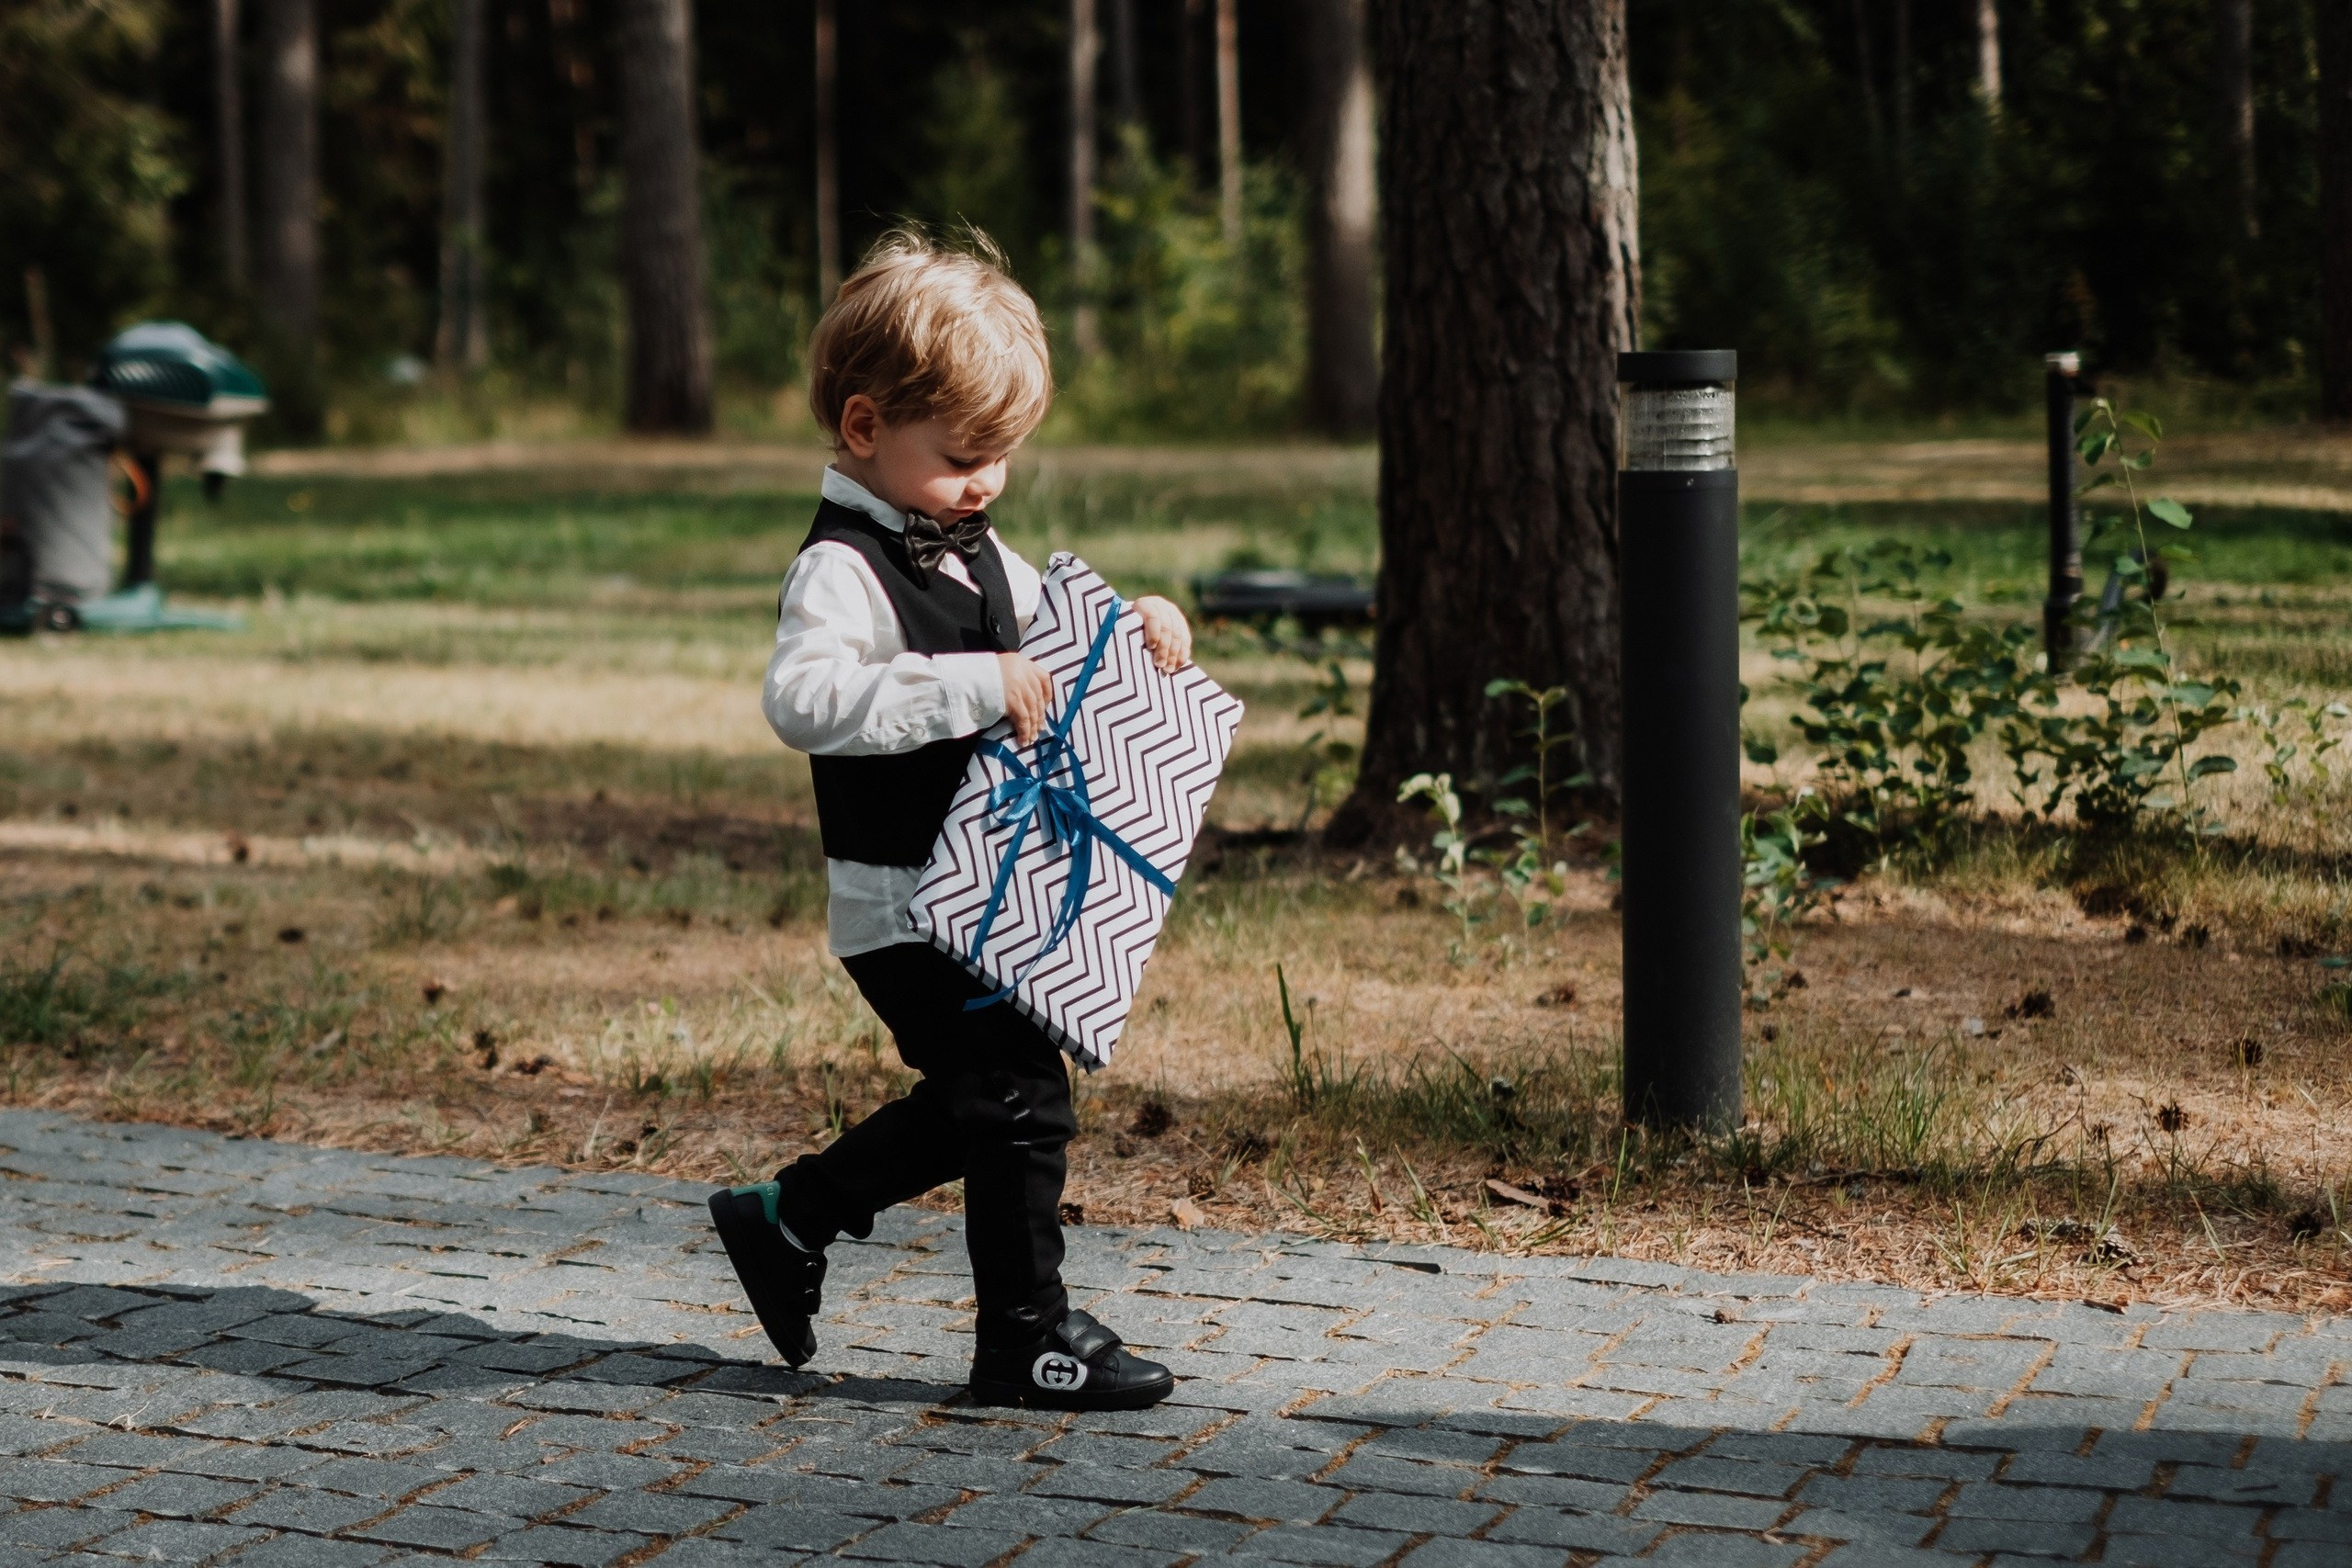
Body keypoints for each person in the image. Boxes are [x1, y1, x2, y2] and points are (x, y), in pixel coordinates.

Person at [707, 231, 1190, 1412]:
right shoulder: (840, 568)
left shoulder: (971, 544)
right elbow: (804, 701)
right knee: (1018, 1101)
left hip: (987, 897)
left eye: (1003, 458)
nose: (986, 484)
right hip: (905, 905)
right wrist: (971, 686)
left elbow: (1056, 636)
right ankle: (1025, 1338)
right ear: (864, 426)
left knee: (990, 1099)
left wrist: (1136, 624)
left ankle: (791, 1215)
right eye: (965, 457)